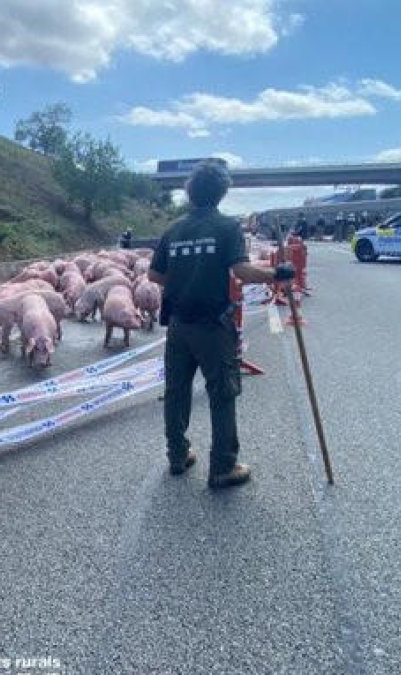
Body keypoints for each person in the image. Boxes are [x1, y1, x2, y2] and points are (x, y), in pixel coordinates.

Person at [148, 162, 294, 489]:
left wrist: (185, 273)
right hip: (212, 326)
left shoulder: (174, 230)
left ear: (190, 191)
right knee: (222, 393)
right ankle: (223, 467)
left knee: (176, 391)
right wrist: (276, 274)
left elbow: (154, 276)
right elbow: (242, 272)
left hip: (178, 324)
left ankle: (177, 455)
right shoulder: (227, 228)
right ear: (222, 192)